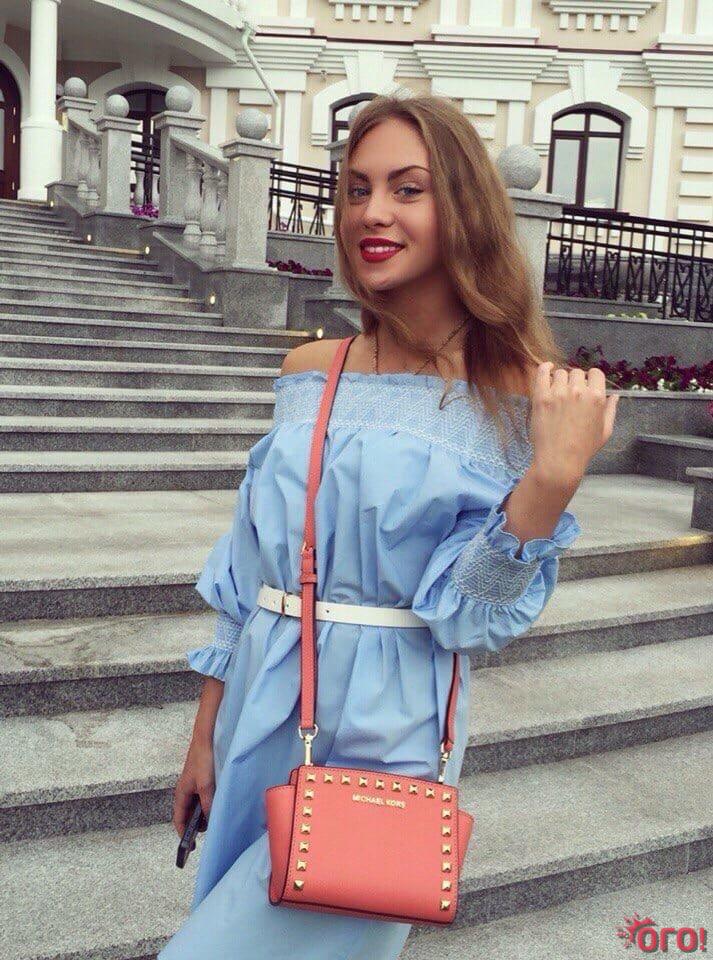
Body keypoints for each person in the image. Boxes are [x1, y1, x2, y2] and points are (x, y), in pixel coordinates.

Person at [158, 94, 618, 960]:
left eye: (408, 189)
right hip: (260, 697)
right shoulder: (308, 370)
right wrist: (202, 737)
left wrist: (550, 483)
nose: (372, 212)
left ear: (464, 209)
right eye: (357, 189)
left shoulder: (519, 396)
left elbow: (465, 618)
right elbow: (243, 569)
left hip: (392, 718)